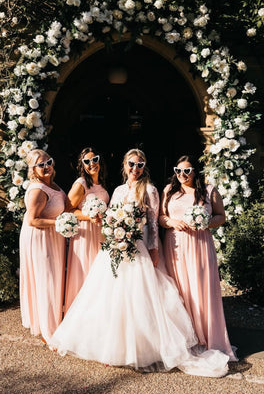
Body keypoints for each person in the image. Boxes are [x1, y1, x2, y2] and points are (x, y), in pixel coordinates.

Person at [48, 149, 230, 377]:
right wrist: (110, 238)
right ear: (125, 166)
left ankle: (143, 347)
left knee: (140, 296)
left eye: (140, 165)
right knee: (110, 296)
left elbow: (154, 223)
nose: (136, 169)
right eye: (132, 164)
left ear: (145, 167)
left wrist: (153, 250)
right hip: (116, 246)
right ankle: (109, 344)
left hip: (140, 246)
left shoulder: (151, 190)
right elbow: (111, 216)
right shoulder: (118, 190)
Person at [159, 155, 237, 362]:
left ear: (195, 171)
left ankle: (206, 336)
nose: (182, 175)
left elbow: (221, 216)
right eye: (178, 170)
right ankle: (185, 337)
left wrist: (206, 223)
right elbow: (161, 217)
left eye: (187, 170)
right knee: (180, 289)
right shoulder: (169, 191)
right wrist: (172, 222)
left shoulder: (209, 191)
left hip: (200, 246)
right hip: (175, 245)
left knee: (201, 289)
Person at [19, 149, 67, 343]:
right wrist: (60, 224)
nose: (46, 167)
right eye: (41, 165)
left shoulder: (52, 184)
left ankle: (52, 320)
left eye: (49, 162)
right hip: (40, 238)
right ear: (33, 169)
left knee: (53, 278)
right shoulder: (38, 190)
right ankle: (49, 331)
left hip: (52, 237)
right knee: (46, 279)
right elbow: (32, 220)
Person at [64, 147, 109, 313]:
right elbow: (68, 210)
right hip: (85, 235)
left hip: (100, 234)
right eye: (87, 161)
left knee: (98, 274)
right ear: (82, 165)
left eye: (95, 159)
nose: (92, 164)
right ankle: (79, 313)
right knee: (85, 272)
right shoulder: (81, 184)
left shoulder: (101, 183)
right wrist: (88, 216)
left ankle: (96, 313)